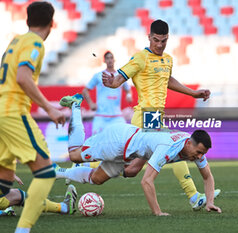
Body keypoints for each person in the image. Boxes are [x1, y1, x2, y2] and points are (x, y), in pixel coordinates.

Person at [101, 19, 216, 210]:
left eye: (164, 41)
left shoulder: (168, 60)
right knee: (176, 146)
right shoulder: (140, 58)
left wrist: (193, 93)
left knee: (132, 169)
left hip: (155, 117)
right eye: (156, 40)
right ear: (149, 37)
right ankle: (194, 195)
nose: (160, 45)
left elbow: (167, 80)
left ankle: (84, 170)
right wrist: (111, 82)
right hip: (145, 115)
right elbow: (118, 79)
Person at [56, 94, 222, 216]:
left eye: (203, 154)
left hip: (128, 152)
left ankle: (57, 172)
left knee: (97, 179)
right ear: (188, 143)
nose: (200, 157)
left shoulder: (193, 149)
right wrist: (158, 212)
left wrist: (210, 203)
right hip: (118, 141)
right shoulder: (168, 146)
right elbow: (147, 181)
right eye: (199, 153)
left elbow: (207, 176)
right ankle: (76, 106)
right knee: (74, 155)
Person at [0, 2, 68, 232]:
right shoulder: (35, 43)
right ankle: (22, 230)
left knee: (4, 181)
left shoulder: (16, 41)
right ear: (52, 23)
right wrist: (50, 108)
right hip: (13, 114)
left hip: (1, 112)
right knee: (46, 173)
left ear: (27, 20)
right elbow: (22, 76)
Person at [82, 51, 133, 135]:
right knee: (96, 142)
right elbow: (85, 90)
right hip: (101, 116)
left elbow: (128, 89)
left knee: (124, 137)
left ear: (114, 60)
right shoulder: (98, 75)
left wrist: (128, 95)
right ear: (104, 61)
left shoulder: (120, 76)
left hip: (116, 116)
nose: (109, 60)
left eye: (111, 58)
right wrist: (91, 103)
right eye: (107, 58)